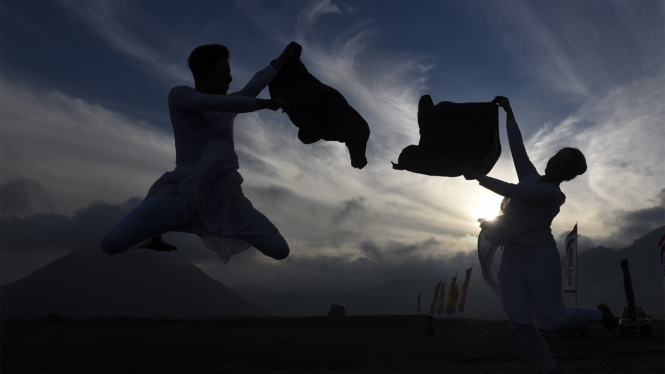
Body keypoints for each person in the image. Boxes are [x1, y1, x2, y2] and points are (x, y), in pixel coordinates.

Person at [460, 96, 618, 374]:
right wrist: (508, 114)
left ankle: (599, 314)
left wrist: (479, 177)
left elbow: (517, 192)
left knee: (553, 321)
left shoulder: (554, 195)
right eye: (558, 158)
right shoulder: (532, 177)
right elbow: (518, 149)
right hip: (514, 252)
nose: (557, 164)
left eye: (564, 166)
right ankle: (549, 369)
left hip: (540, 257)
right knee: (518, 317)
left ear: (569, 175)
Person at [101, 42, 298, 264]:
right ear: (207, 69)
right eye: (225, 71)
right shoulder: (180, 95)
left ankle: (161, 232)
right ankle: (151, 240)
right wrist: (270, 103)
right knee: (110, 244)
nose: (230, 79)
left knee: (279, 249)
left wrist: (282, 58)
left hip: (224, 199)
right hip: (180, 193)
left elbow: (257, 82)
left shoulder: (229, 107)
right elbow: (219, 101)